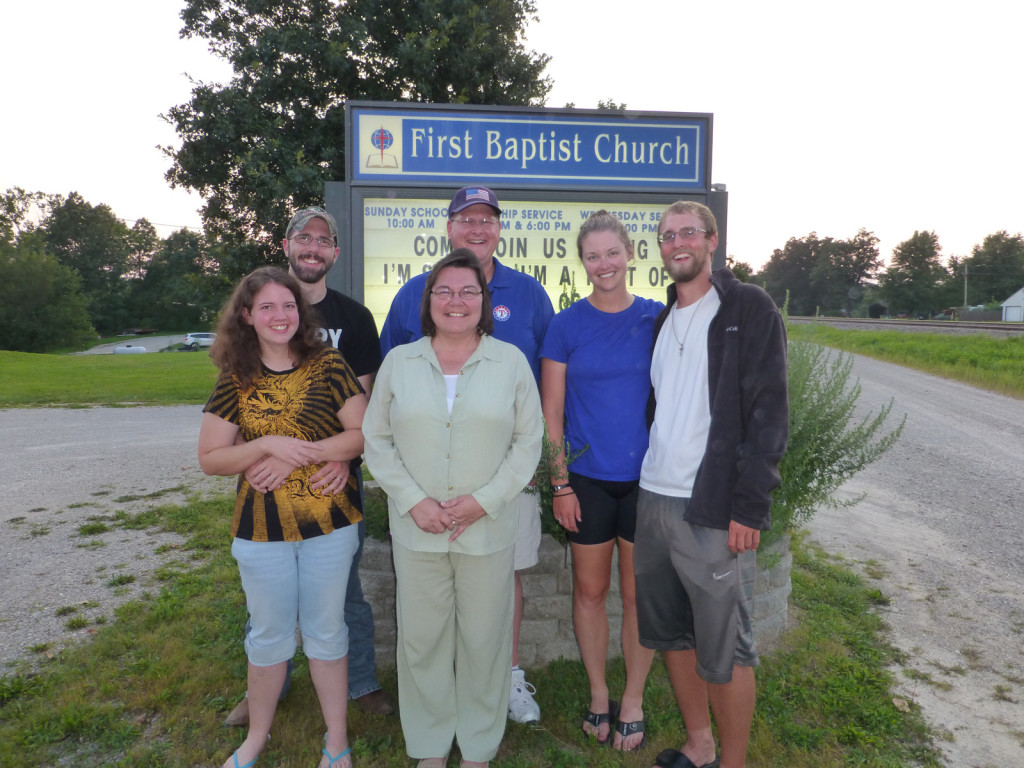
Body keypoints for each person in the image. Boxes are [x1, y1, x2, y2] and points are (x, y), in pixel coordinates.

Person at [380, 186, 554, 723]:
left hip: (503, 484)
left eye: (487, 220)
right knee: (429, 626)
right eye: (466, 219)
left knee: (500, 598)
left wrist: (509, 485)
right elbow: (388, 399)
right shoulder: (412, 293)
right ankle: (436, 719)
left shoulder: (528, 294)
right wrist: (414, 496)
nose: (477, 229)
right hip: (422, 496)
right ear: (449, 227)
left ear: (499, 228)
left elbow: (546, 388)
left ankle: (506, 681)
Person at [224, 206, 393, 728]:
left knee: (344, 591)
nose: (313, 247)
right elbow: (235, 419)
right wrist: (265, 452)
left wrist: (344, 458)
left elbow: (363, 408)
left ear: (335, 253)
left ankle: (359, 679)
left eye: (324, 240)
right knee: (267, 597)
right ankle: (267, 688)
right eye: (304, 238)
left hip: (333, 476)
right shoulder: (260, 317)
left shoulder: (356, 320)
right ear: (287, 245)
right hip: (268, 484)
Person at [635, 201, 788, 768]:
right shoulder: (664, 318)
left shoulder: (747, 307)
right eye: (667, 235)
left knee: (728, 646)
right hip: (655, 498)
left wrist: (750, 505)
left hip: (713, 510)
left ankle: (735, 761)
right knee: (672, 634)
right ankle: (699, 744)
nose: (678, 242)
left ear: (712, 239)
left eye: (689, 233)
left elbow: (770, 411)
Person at [199, 267, 368, 768]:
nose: (280, 316)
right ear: (247, 316)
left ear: (301, 312)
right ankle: (256, 737)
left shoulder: (329, 365)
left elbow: (361, 434)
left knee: (327, 630)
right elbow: (210, 458)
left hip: (330, 525)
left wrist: (309, 454)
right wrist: (264, 446)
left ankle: (336, 740)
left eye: (288, 305)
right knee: (269, 634)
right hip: (261, 530)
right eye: (267, 307)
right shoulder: (236, 378)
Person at [540, 211, 660, 751]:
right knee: (591, 592)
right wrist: (559, 484)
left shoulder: (659, 319)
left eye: (613, 252)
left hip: (648, 481)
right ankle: (597, 693)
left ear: (630, 253)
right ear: (582, 261)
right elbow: (552, 413)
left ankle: (632, 699)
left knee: (639, 596)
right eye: (593, 255)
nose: (604, 264)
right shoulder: (566, 325)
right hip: (586, 479)